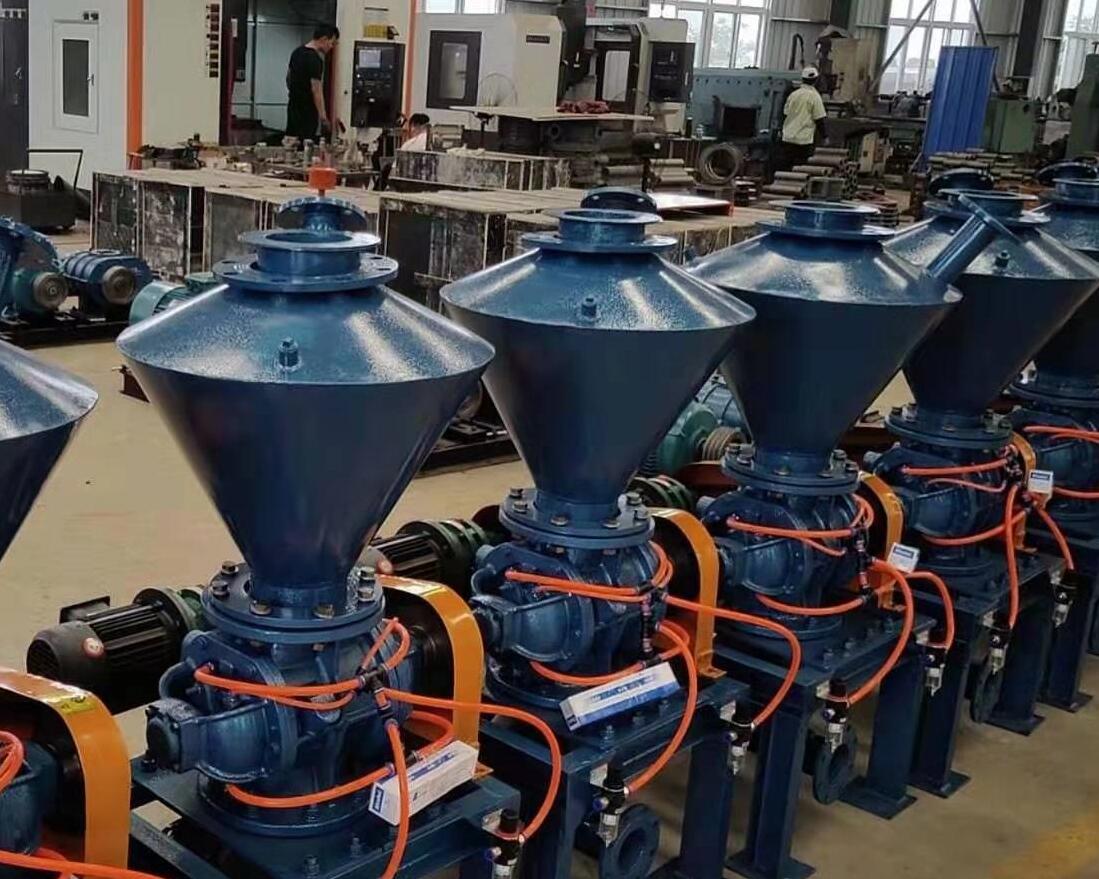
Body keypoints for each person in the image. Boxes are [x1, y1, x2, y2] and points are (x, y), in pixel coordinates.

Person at [286, 25, 340, 143]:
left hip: (293, 107)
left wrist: (295, 93)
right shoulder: (315, 59)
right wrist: (323, 117)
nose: (331, 47)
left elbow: (288, 78)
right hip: (307, 111)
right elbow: (316, 90)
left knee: (292, 143)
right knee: (306, 144)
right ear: (324, 39)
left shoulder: (296, 52)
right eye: (331, 43)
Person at [780, 66, 826, 170]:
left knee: (785, 167)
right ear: (816, 80)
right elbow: (819, 119)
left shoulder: (793, 95)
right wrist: (825, 136)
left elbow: (785, 113)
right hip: (803, 140)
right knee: (800, 169)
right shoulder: (815, 97)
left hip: (788, 137)